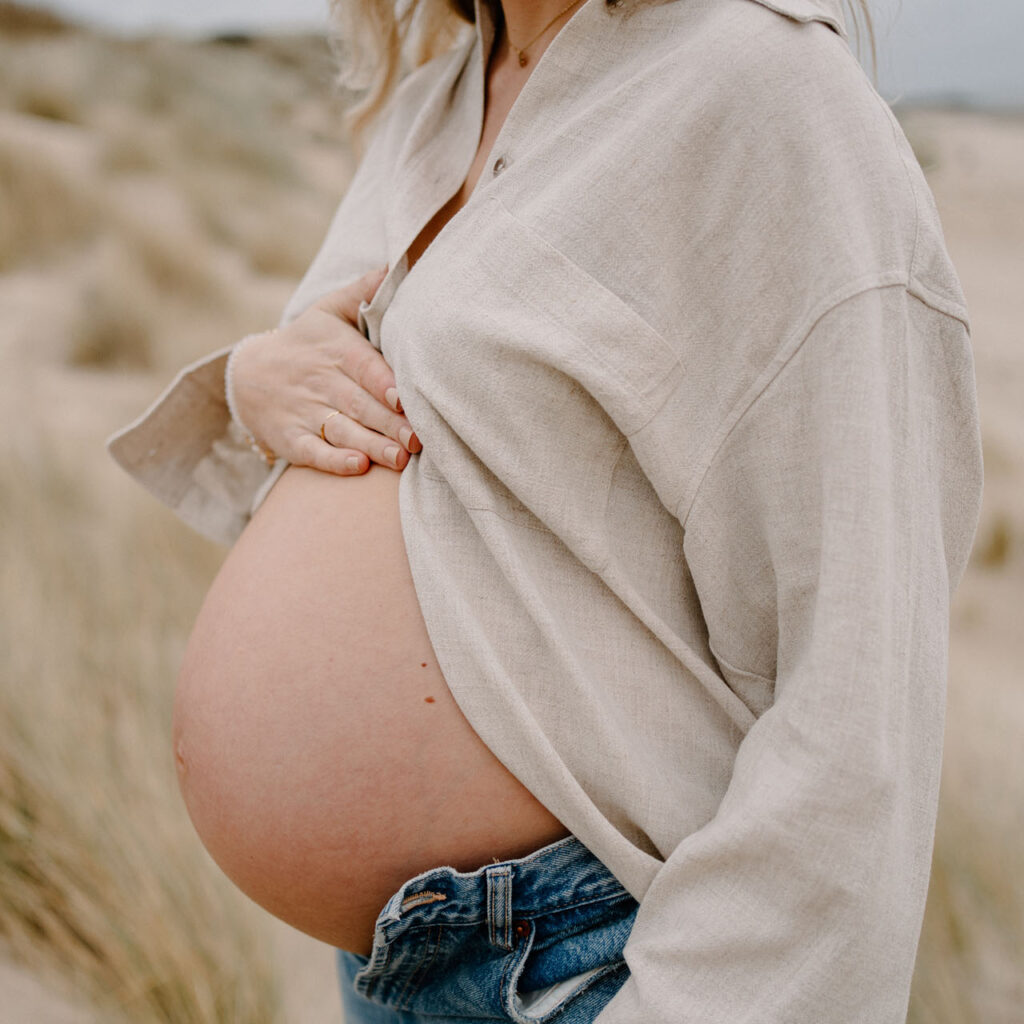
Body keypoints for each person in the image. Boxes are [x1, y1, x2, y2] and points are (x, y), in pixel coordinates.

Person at [108, 0, 984, 1020]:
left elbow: (856, 681)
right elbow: (471, 457)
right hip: (401, 960)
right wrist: (260, 379)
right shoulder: (447, 90)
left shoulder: (766, 93)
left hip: (587, 964)